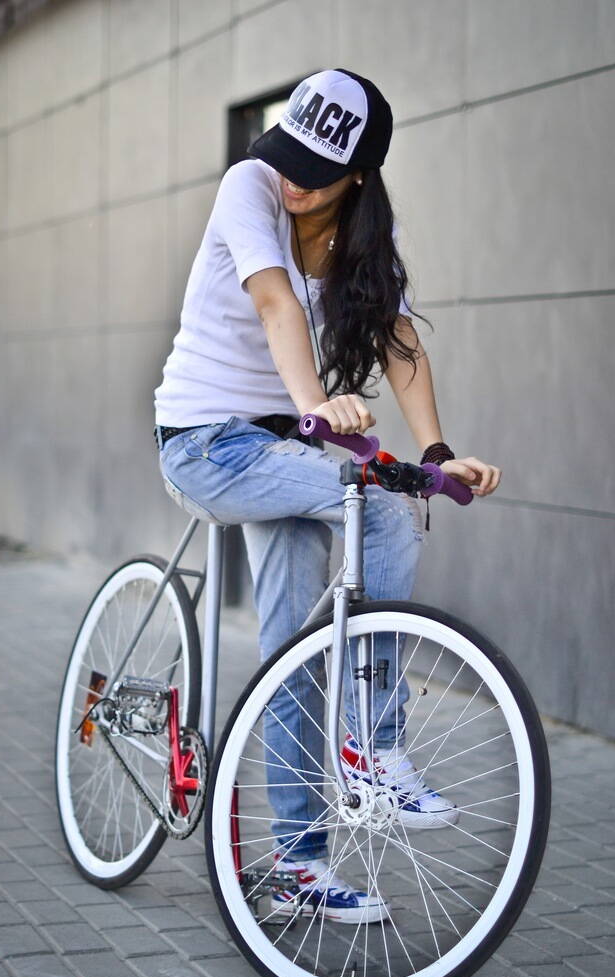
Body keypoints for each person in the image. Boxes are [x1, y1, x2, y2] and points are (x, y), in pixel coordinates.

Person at [154, 69, 500, 922]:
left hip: (279, 447)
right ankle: (373, 745)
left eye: (317, 170)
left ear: (359, 175)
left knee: (294, 653)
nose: (295, 180)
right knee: (379, 509)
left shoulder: (363, 238)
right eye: (290, 156)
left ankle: (296, 868)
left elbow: (398, 340)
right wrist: (316, 407)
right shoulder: (249, 187)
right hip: (205, 440)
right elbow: (275, 303)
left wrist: (438, 453)